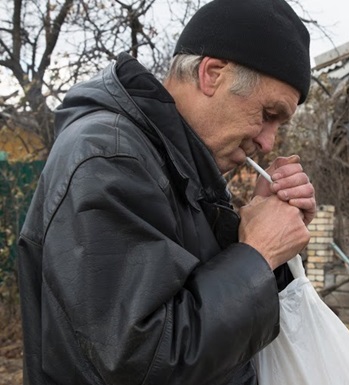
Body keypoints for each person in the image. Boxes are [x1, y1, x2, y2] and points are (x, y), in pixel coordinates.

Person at [17, 0, 315, 383]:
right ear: (212, 74)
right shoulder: (111, 156)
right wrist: (257, 254)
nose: (268, 142)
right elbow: (139, 360)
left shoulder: (176, 165)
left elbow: (192, 299)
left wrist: (262, 236)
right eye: (268, 115)